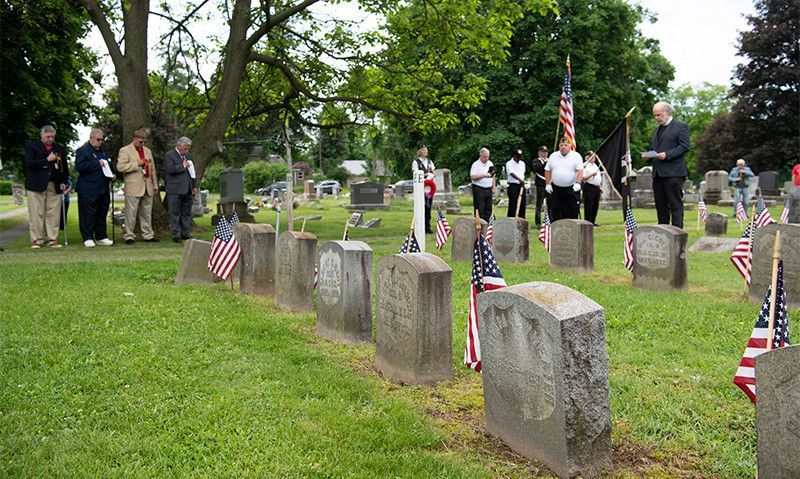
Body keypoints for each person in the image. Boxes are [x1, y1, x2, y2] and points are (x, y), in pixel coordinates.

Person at [644, 101, 690, 228]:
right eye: (655, 115)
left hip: (673, 173)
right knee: (661, 206)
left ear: (667, 112)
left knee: (675, 205)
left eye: (659, 115)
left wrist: (667, 155)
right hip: (658, 174)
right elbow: (656, 148)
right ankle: (663, 234)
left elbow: (684, 146)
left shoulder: (681, 126)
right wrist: (648, 156)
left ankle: (677, 234)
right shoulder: (657, 130)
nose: (656, 118)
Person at [24, 125, 69, 248]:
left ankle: (52, 239)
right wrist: (47, 160)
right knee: (36, 213)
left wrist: (63, 180)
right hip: (36, 184)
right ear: (41, 135)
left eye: (52, 137)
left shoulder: (59, 148)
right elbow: (29, 164)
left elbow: (64, 168)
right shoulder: (31, 146)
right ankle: (37, 240)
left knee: (53, 213)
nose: (50, 139)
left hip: (54, 184)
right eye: (48, 136)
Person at [117, 128, 159, 244]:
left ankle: (148, 235)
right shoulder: (125, 150)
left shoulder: (147, 151)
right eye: (141, 142)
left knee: (147, 212)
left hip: (147, 185)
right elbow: (120, 167)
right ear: (134, 139)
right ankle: (129, 235)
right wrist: (137, 164)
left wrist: (155, 184)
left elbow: (153, 169)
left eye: (144, 142)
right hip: (133, 186)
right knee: (131, 213)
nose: (143, 144)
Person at [75, 128, 116, 247]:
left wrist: (113, 175)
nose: (100, 142)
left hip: (103, 188)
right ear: (91, 138)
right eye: (98, 139)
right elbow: (80, 167)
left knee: (101, 213)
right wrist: (96, 163)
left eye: (102, 140)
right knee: (87, 214)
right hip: (88, 188)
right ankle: (87, 237)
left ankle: (101, 236)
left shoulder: (103, 151)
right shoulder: (83, 151)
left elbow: (109, 166)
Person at [164, 137, 198, 242]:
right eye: (186, 148)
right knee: (174, 213)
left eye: (188, 148)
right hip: (174, 189)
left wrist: (194, 186)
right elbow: (170, 170)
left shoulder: (188, 156)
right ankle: (176, 235)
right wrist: (182, 166)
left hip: (187, 189)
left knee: (186, 213)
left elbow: (192, 173)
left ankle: (185, 233)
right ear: (179, 146)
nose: (187, 151)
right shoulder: (169, 155)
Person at [544, 138, 583, 221]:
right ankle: (557, 230)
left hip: (571, 189)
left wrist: (578, 183)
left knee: (572, 211)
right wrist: (548, 184)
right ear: (559, 146)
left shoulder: (576, 156)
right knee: (556, 211)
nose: (563, 147)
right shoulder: (553, 156)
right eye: (561, 145)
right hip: (556, 189)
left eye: (566, 145)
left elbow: (580, 171)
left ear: (570, 146)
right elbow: (547, 170)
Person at [412, 145, 436, 233]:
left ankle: (427, 226)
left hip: (429, 187)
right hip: (420, 187)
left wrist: (431, 175)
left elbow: (433, 171)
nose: (425, 151)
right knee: (420, 206)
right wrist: (426, 174)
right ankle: (419, 226)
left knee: (428, 207)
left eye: (426, 150)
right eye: (423, 150)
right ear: (419, 152)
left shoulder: (430, 162)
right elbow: (415, 173)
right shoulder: (416, 162)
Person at [470, 147, 495, 223]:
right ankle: (480, 224)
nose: (486, 158)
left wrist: (494, 187)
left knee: (488, 208)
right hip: (479, 188)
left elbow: (493, 175)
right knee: (480, 208)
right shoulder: (475, 164)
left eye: (488, 156)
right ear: (481, 155)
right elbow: (473, 177)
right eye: (485, 157)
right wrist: (484, 175)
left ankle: (488, 225)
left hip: (489, 188)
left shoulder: (490, 163)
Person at [582, 151, 602, 226]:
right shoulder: (585, 165)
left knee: (595, 205)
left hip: (596, 187)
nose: (593, 157)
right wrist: (591, 174)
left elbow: (598, 177)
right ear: (587, 157)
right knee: (588, 205)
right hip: (589, 186)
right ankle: (588, 221)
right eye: (591, 156)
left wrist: (600, 187)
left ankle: (593, 221)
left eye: (594, 156)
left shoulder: (595, 165)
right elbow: (583, 178)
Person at [505, 148, 526, 218]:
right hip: (513, 185)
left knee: (522, 204)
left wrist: (522, 181)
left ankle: (521, 218)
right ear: (514, 155)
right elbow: (511, 173)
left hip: (522, 185)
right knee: (513, 203)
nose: (519, 158)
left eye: (520, 156)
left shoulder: (522, 163)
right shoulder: (509, 163)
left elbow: (523, 173)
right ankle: (511, 218)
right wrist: (519, 180)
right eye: (517, 156)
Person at [531, 146, 548, 226]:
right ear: (539, 153)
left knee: (550, 203)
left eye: (546, 152)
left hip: (548, 184)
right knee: (539, 204)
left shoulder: (549, 161)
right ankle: (538, 222)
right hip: (541, 184)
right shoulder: (536, 161)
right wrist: (546, 163)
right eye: (543, 152)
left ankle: (549, 220)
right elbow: (538, 169)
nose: (545, 153)